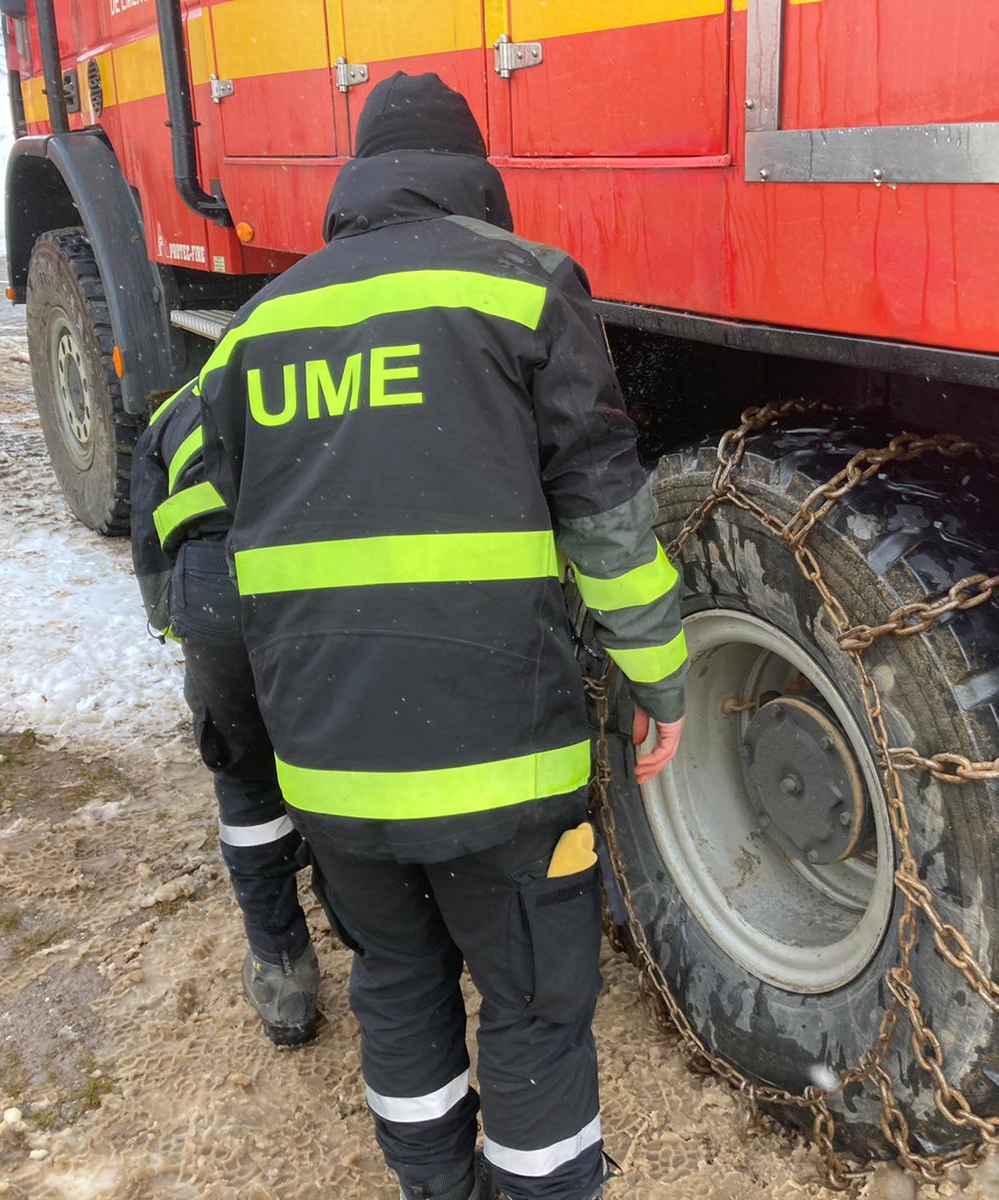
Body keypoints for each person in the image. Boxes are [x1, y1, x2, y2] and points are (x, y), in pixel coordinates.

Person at [187, 72, 688, 1200]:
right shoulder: (522, 290)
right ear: (475, 178)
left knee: (398, 983)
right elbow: (606, 517)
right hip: (497, 759)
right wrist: (659, 675)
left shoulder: (257, 328)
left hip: (331, 764)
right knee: (532, 1006)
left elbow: (237, 532)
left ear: (355, 183)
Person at [131, 384, 320, 1046]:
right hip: (322, 577)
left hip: (216, 587)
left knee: (246, 784)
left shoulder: (177, 408)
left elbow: (154, 565)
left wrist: (214, 670)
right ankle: (382, 945)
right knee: (342, 767)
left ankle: (283, 972)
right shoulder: (337, 368)